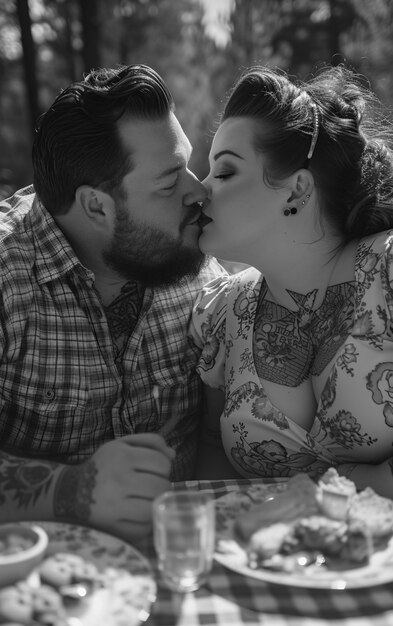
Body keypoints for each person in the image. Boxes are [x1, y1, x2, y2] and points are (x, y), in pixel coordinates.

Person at [0, 64, 224, 541]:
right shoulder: (7, 278)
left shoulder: (190, 263)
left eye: (187, 164)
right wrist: (69, 490)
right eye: (168, 183)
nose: (198, 190)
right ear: (97, 207)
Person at [190, 64, 393, 497]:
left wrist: (369, 485)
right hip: (269, 559)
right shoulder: (225, 311)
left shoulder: (388, 270)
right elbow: (211, 453)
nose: (201, 189)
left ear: (298, 190)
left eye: (224, 172)